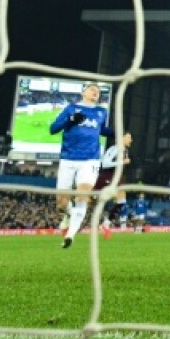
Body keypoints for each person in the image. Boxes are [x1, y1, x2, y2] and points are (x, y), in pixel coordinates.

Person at [49, 82, 114, 249]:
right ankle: (69, 215)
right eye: (92, 90)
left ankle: (70, 235)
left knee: (81, 196)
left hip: (90, 160)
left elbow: (101, 130)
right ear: (83, 92)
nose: (95, 92)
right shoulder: (71, 108)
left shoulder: (101, 112)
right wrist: (70, 120)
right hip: (68, 159)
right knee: (61, 203)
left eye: (98, 91)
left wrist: (118, 132)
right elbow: (53, 129)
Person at [94, 132, 133, 238]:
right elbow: (105, 163)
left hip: (116, 179)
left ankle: (105, 224)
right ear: (122, 138)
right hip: (107, 177)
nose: (131, 140)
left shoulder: (125, 150)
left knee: (121, 201)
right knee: (91, 201)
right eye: (129, 138)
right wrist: (122, 162)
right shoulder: (115, 149)